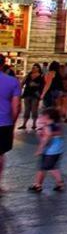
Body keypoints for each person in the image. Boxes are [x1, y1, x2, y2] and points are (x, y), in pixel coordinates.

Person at [28, 107, 65, 192]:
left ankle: (38, 185)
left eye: (42, 116)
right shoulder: (57, 125)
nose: (40, 118)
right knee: (52, 167)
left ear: (47, 117)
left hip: (49, 151)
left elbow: (46, 138)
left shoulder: (47, 127)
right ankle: (59, 183)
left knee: (43, 168)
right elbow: (58, 134)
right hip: (58, 150)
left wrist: (40, 148)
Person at [0, 58, 21, 190]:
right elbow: (16, 106)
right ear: (3, 65)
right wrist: (12, 122)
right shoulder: (13, 81)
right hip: (4, 123)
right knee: (0, 154)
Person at [20, 63, 44, 131]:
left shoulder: (41, 76)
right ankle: (24, 124)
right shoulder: (28, 75)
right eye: (33, 67)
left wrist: (36, 85)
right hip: (27, 93)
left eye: (35, 67)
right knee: (27, 109)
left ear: (38, 69)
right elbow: (22, 83)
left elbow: (42, 85)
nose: (33, 69)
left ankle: (34, 124)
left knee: (34, 109)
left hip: (35, 94)